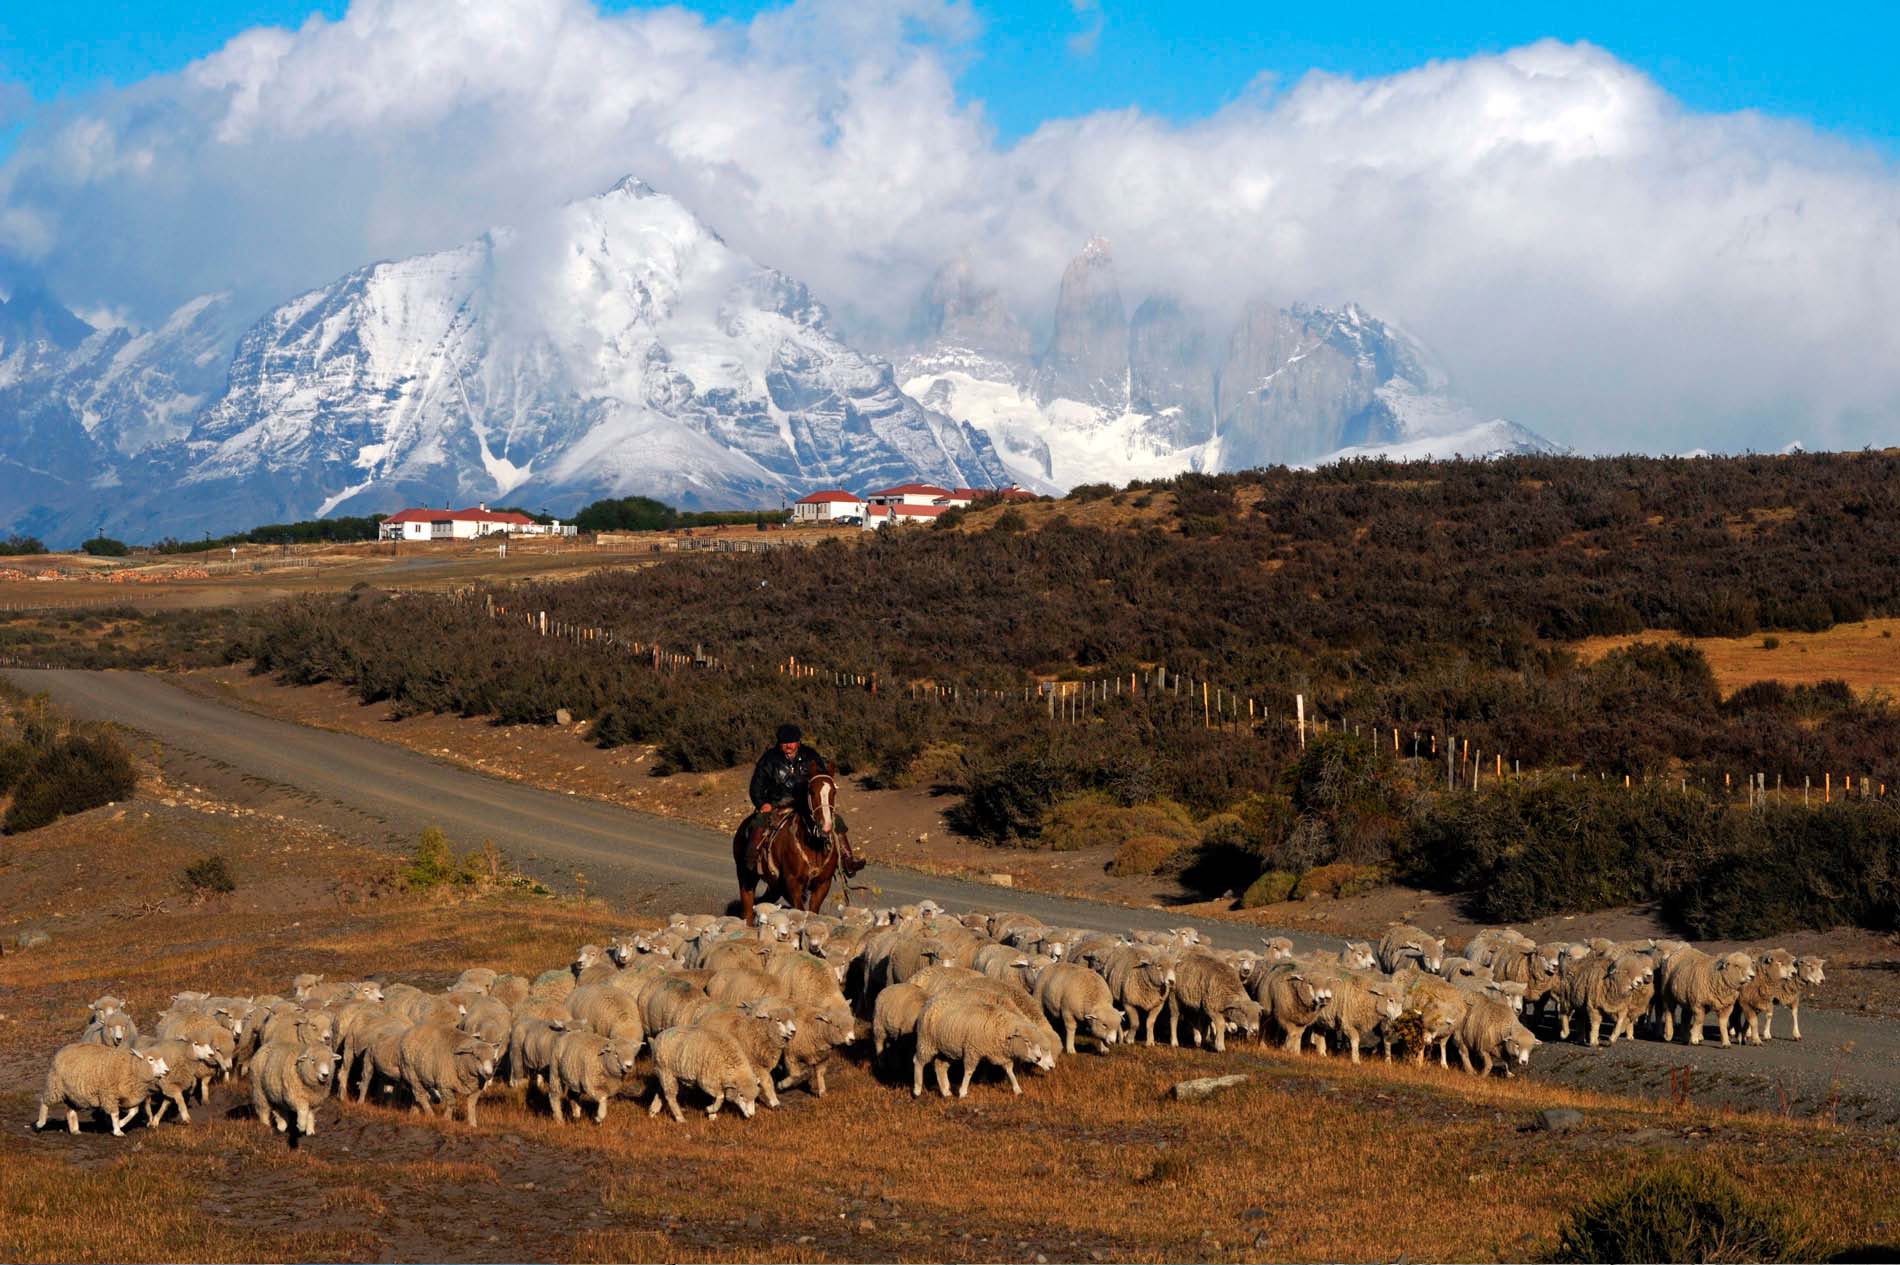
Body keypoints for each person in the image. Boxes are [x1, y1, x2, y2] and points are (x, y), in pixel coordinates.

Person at [745, 724, 828, 877]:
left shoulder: (811, 756)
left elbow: (822, 780)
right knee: (759, 823)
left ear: (798, 741)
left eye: (792, 741)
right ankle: (751, 861)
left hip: (805, 804)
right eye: (784, 742)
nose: (788, 745)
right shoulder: (769, 758)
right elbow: (756, 786)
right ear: (779, 742)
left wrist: (820, 802)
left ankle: (846, 858)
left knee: (834, 820)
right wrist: (763, 803)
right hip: (776, 804)